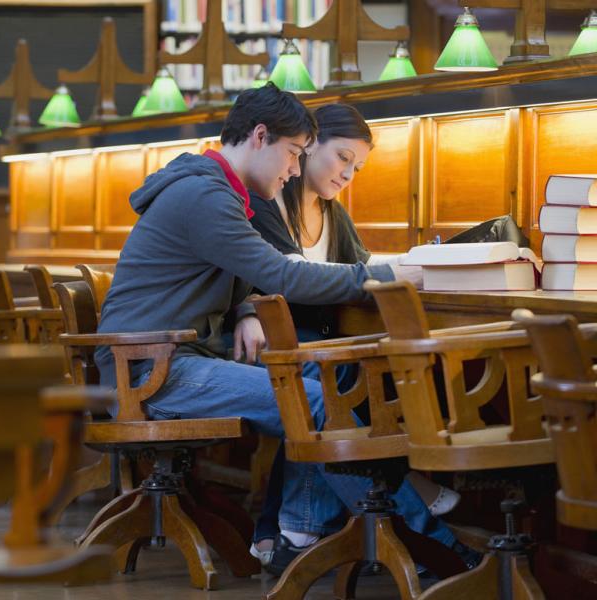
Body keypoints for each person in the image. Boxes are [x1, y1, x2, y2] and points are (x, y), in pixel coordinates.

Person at [95, 84, 474, 577]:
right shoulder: (205, 195)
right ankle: (428, 547)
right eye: (293, 153)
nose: (295, 169)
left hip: (171, 361)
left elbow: (250, 275)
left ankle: (316, 533)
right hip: (152, 372)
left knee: (324, 380)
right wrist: (389, 275)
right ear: (259, 136)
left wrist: (250, 306)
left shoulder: (219, 191)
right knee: (315, 400)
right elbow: (283, 274)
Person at [248, 103, 461, 566]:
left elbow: (358, 268)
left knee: (356, 375)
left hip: (315, 343)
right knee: (331, 385)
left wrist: (406, 266)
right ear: (308, 145)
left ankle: (289, 531)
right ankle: (415, 517)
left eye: (357, 167)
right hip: (275, 344)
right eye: (342, 158)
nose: (348, 174)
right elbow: (287, 276)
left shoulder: (333, 214)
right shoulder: (266, 203)